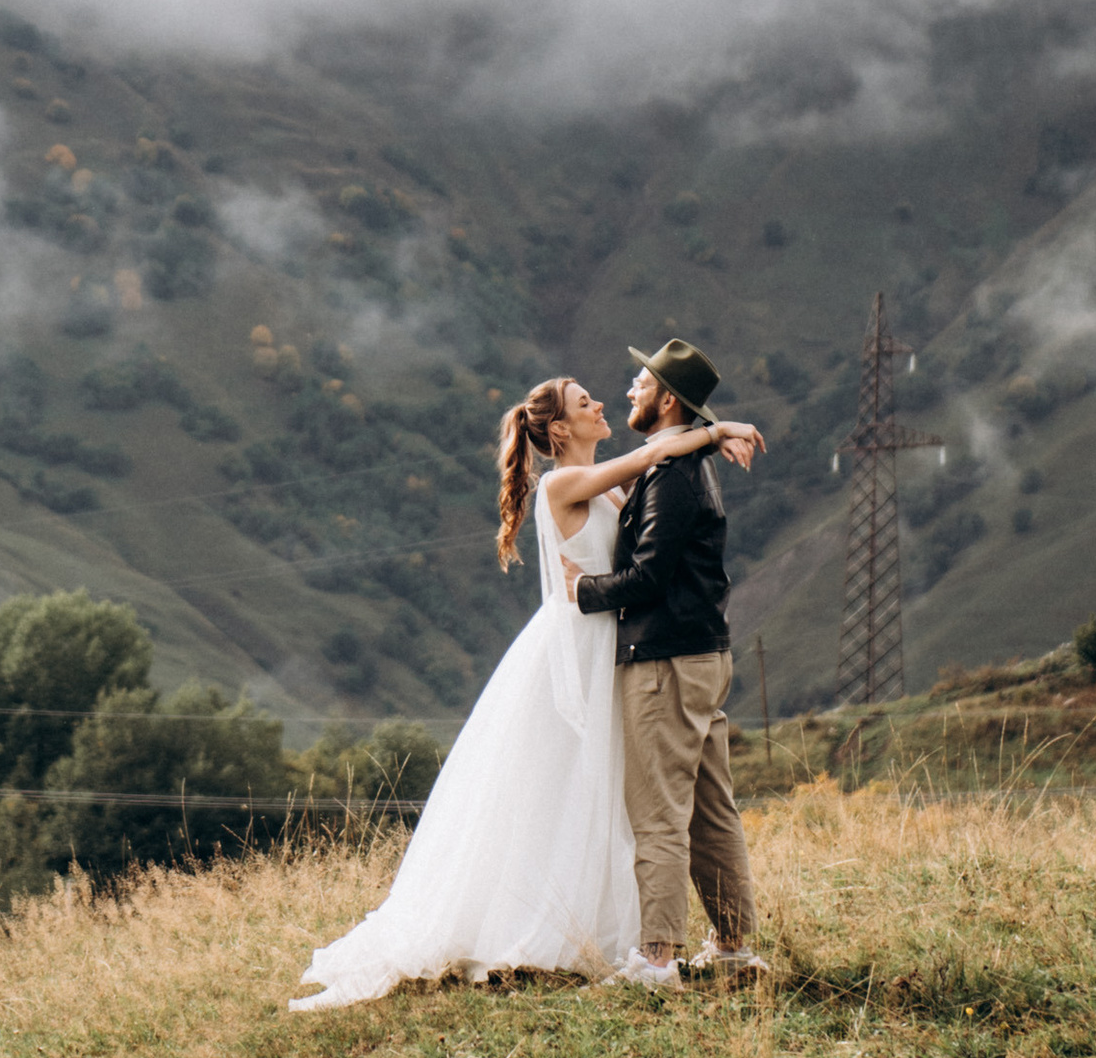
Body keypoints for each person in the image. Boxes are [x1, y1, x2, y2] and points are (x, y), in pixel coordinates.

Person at [288, 365, 759, 1008]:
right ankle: (614, 937)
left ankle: (659, 943)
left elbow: (655, 465)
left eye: (604, 395)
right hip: (595, 640)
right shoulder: (567, 482)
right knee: (579, 788)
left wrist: (709, 430)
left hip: (622, 643)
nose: (603, 401)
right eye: (585, 401)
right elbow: (656, 452)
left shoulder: (622, 481)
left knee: (630, 798)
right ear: (559, 430)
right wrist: (718, 428)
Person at [564, 336, 767, 989]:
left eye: (641, 382)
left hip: (666, 661)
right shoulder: (681, 467)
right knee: (711, 807)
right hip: (703, 653)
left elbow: (648, 578)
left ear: (667, 400)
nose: (629, 389)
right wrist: (716, 431)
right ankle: (733, 947)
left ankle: (655, 958)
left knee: (657, 811)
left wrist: (582, 591)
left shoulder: (670, 479)